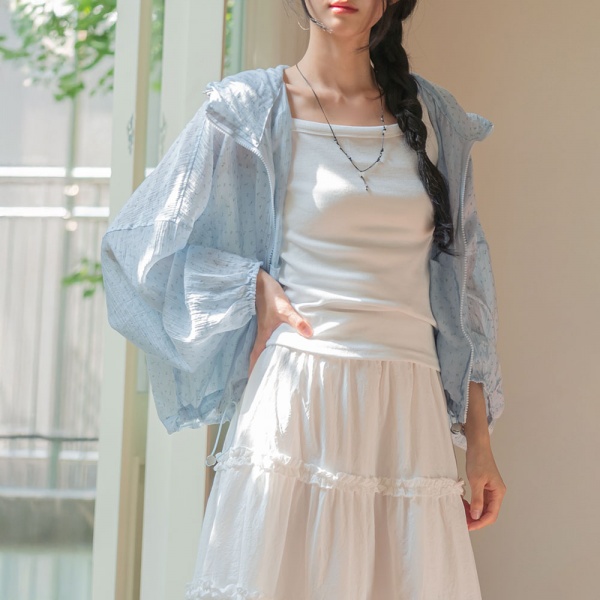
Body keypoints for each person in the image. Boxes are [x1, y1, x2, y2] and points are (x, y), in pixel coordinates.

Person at [101, 0, 507, 597]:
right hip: (296, 401)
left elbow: (467, 289)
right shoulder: (249, 108)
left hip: (406, 415)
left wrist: (479, 442)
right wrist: (249, 286)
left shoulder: (436, 116)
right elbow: (136, 247)